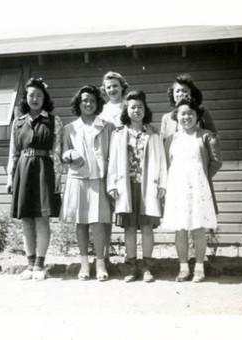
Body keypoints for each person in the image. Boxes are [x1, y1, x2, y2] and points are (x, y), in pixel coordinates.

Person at [6, 77, 63, 281]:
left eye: (39, 95)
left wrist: (57, 178)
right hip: (23, 170)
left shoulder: (54, 121)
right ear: (25, 98)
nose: (35, 99)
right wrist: (10, 178)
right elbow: (13, 152)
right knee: (26, 219)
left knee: (42, 218)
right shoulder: (18, 122)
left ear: (44, 98)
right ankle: (29, 265)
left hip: (44, 170)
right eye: (31, 95)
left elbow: (57, 152)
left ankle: (40, 265)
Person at [108, 90, 167, 283]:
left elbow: (161, 161)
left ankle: (147, 266)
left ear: (145, 109)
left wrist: (162, 184)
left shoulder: (153, 133)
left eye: (140, 107)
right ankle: (131, 265)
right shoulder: (119, 134)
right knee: (130, 228)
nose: (136, 110)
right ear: (127, 109)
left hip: (148, 186)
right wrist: (113, 184)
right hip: (127, 186)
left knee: (147, 227)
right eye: (132, 107)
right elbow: (113, 161)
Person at [162, 98, 222, 283]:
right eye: (182, 113)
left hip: (198, 188)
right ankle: (183, 268)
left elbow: (216, 161)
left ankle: (199, 268)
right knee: (180, 229)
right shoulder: (171, 139)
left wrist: (201, 178)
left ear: (197, 116)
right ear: (176, 116)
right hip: (177, 188)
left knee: (197, 228)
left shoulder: (206, 135)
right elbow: (165, 163)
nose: (186, 117)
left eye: (190, 113)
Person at [60, 85, 115, 281]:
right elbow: (62, 155)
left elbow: (113, 155)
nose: (89, 104)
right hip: (78, 180)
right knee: (81, 223)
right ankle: (84, 265)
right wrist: (70, 155)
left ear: (97, 103)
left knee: (98, 223)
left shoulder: (107, 126)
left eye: (92, 100)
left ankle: (100, 265)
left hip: (99, 179)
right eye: (85, 101)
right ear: (78, 103)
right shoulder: (69, 128)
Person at [99, 71, 129, 265]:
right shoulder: (101, 110)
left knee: (126, 209)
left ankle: (130, 254)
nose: (112, 90)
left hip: (127, 160)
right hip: (108, 159)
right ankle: (105, 255)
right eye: (108, 87)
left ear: (122, 87)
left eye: (115, 86)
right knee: (106, 210)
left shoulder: (129, 106)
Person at [160, 73, 217, 139]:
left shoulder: (202, 113)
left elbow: (214, 137)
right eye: (177, 91)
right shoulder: (166, 118)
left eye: (184, 91)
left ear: (192, 93)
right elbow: (163, 142)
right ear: (172, 94)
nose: (180, 94)